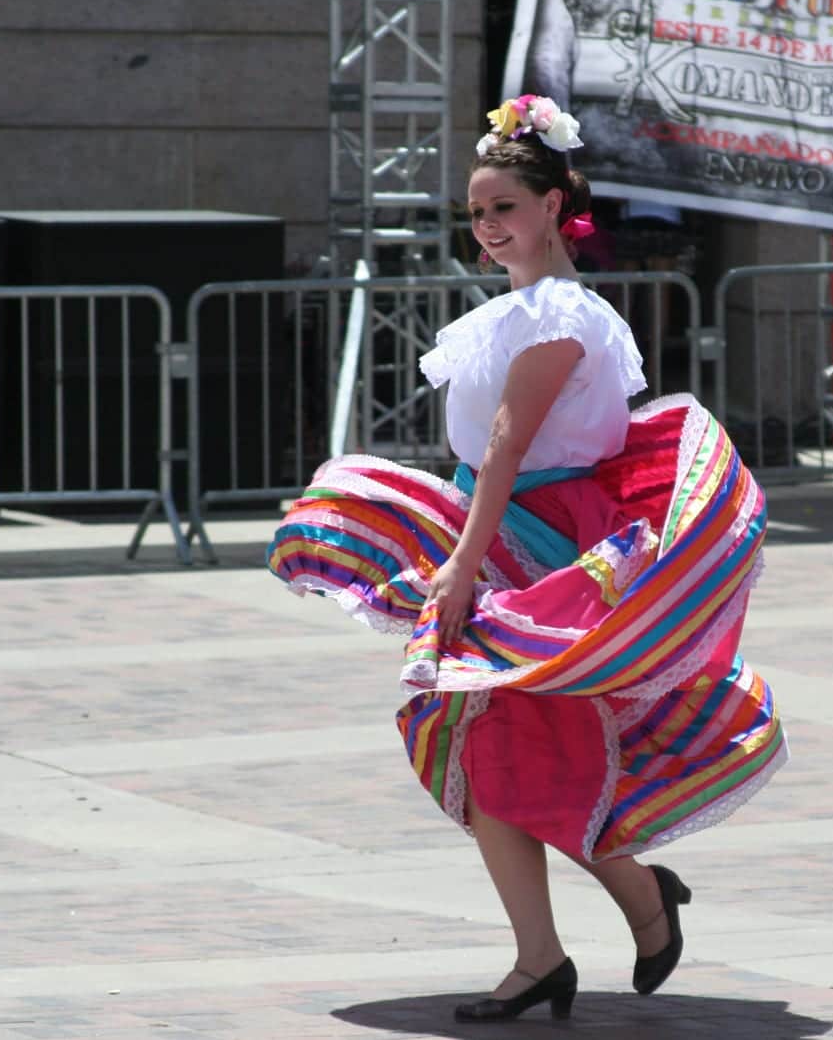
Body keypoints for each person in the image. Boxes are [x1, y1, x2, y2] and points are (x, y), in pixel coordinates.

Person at [268, 95, 788, 1023]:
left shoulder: (558, 315)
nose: (487, 226)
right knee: (502, 745)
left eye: (503, 206)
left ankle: (573, 938)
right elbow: (491, 456)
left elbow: (510, 445)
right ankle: (595, 924)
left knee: (507, 742)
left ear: (554, 206)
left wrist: (462, 569)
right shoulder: (516, 312)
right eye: (476, 212)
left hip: (545, 556)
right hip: (509, 530)